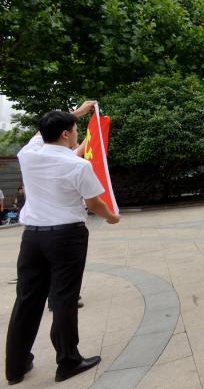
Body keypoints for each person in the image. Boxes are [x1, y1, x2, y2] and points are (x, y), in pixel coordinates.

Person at [6, 101, 120, 385]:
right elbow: (94, 204)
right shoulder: (77, 165)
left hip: (32, 237)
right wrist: (112, 217)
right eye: (75, 129)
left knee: (27, 299)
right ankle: (68, 361)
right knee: (64, 298)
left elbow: (42, 134)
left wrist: (77, 112)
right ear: (66, 134)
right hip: (66, 237)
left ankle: (16, 366)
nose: (77, 133)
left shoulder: (28, 154)